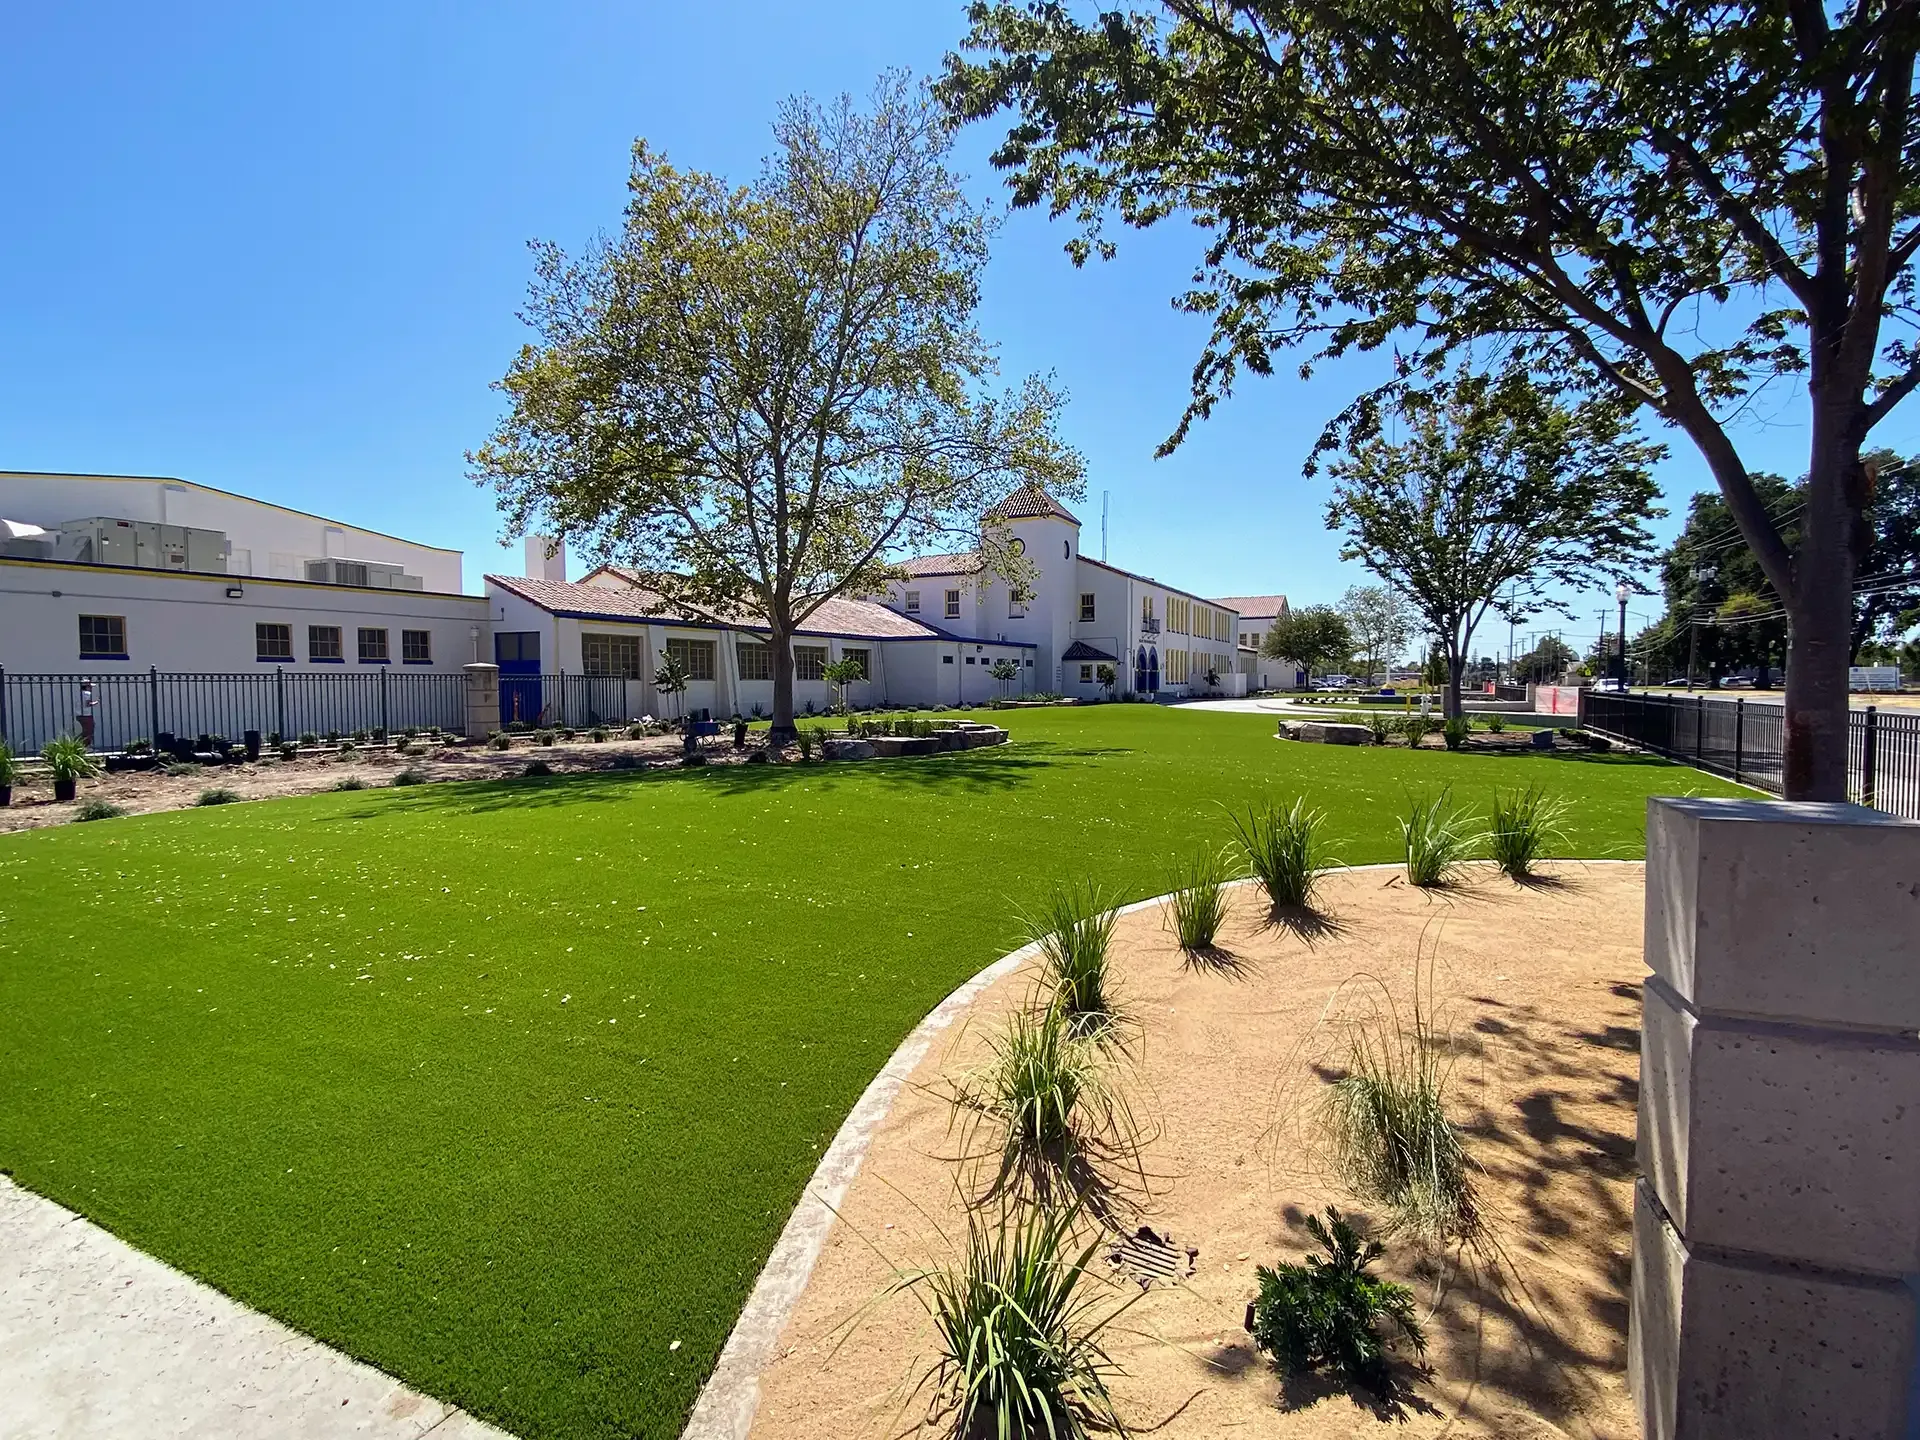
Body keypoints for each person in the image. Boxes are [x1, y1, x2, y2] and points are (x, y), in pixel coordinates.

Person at [75, 678, 97, 748]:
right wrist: (95, 703)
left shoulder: (78, 693)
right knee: (89, 731)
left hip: (79, 715)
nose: (90, 688)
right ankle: (85, 746)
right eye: (90, 686)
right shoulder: (87, 694)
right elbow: (87, 704)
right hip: (86, 715)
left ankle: (79, 745)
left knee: (84, 731)